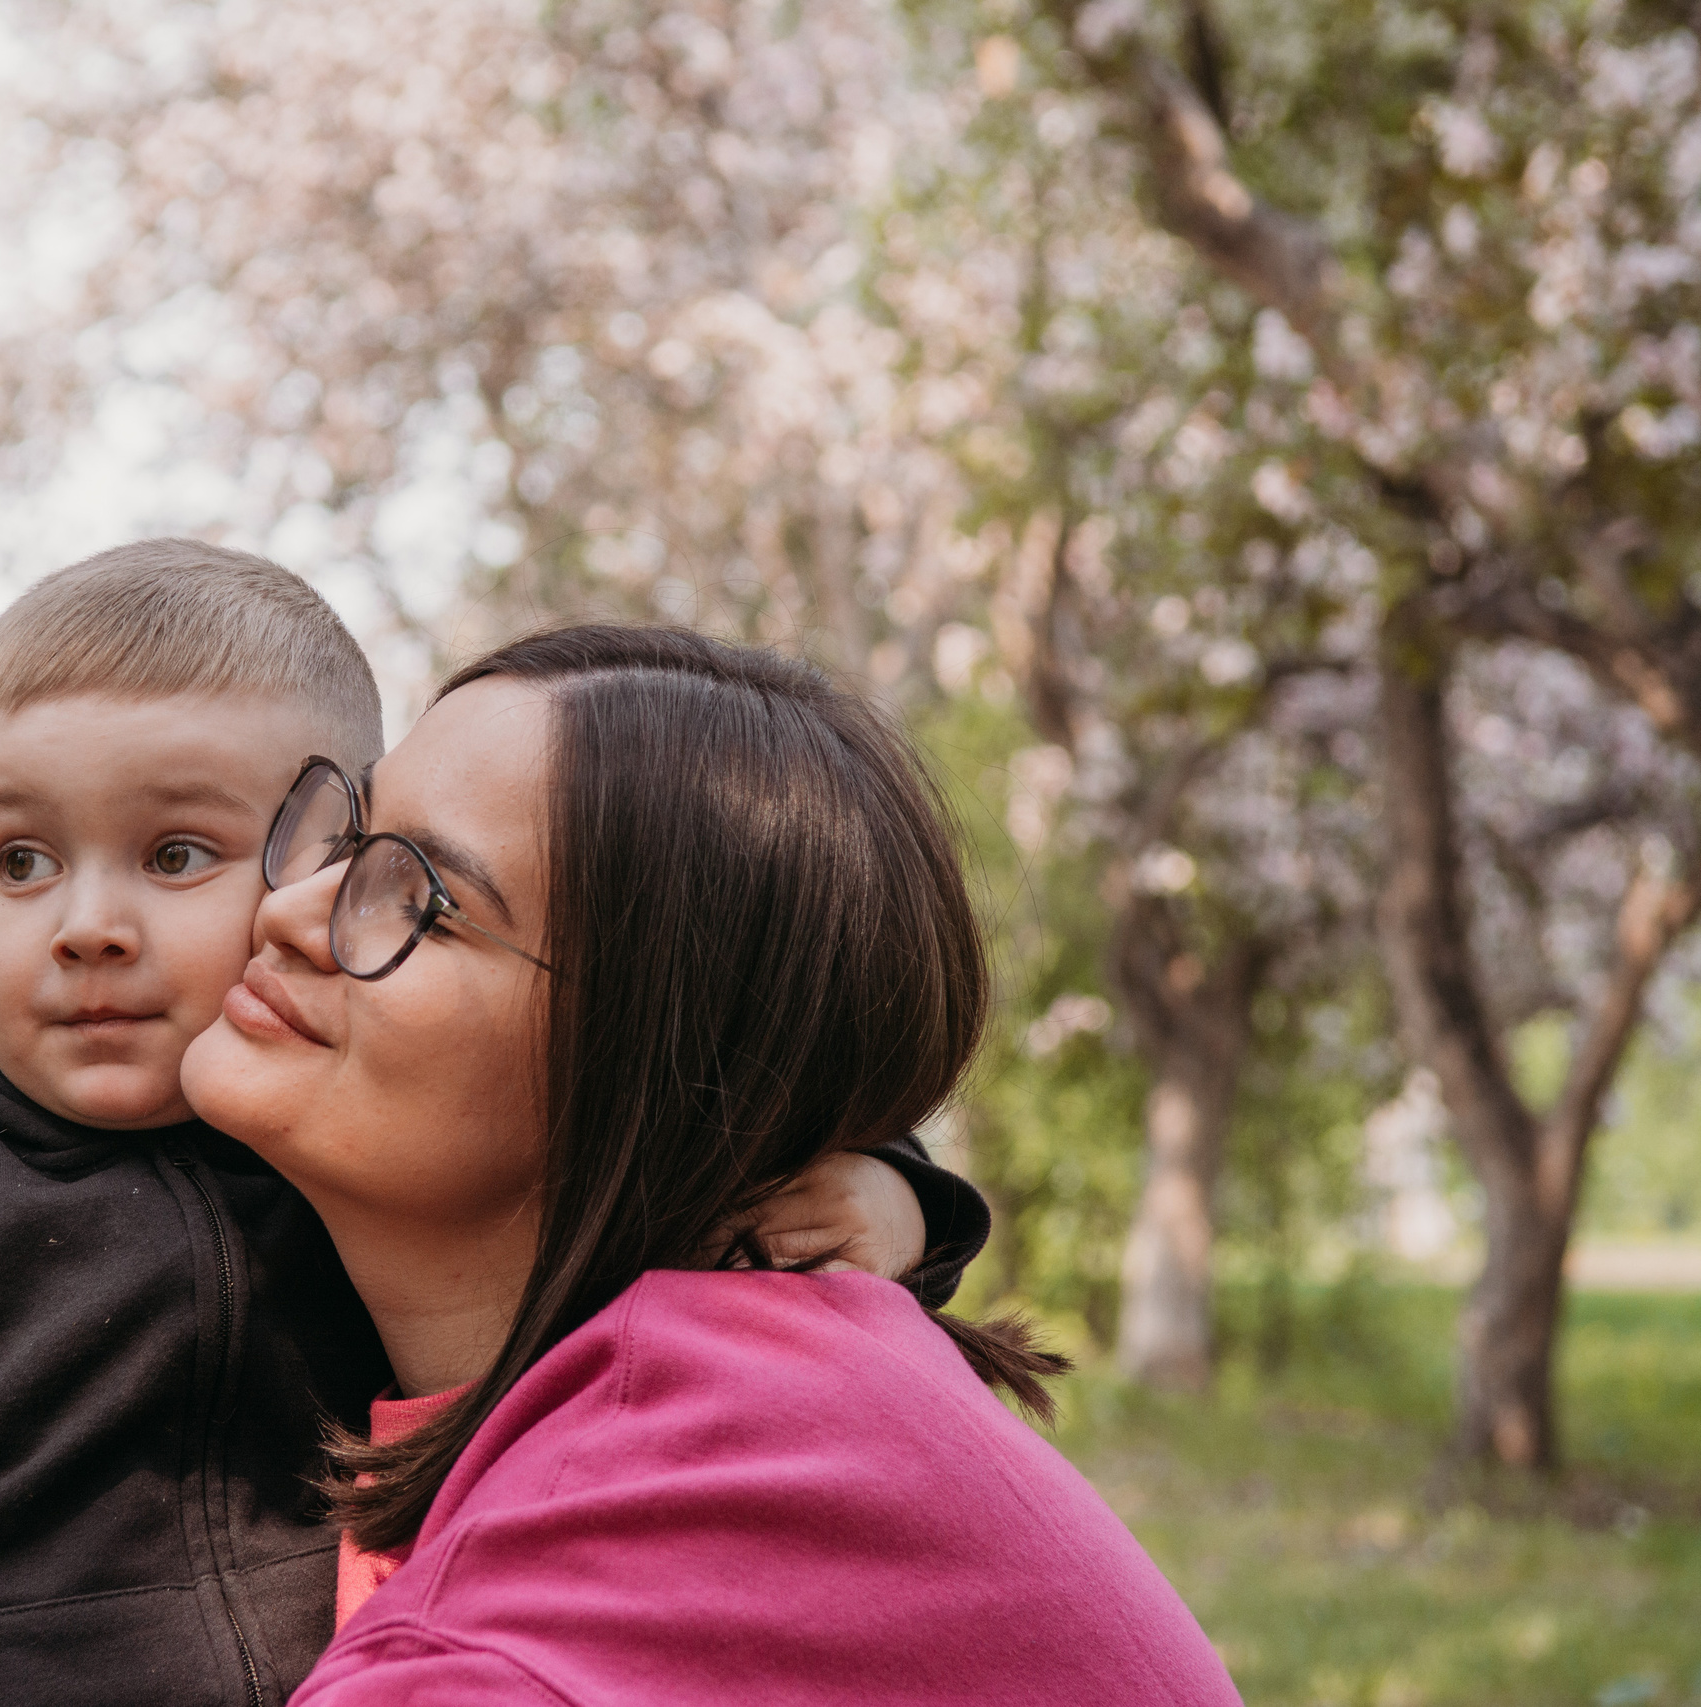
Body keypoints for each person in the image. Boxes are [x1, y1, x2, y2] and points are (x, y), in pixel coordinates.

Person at [0, 545, 987, 1707]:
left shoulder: (345, 1155)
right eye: (22, 862)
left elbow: (637, 1181)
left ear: (316, 873)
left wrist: (896, 1197)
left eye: (176, 854)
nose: (87, 924)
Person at [182, 623, 1244, 1705]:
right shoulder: (736, 1368)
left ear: (649, 1068)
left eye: (424, 903)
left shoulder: (553, 1600)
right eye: (346, 834)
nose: (286, 910)